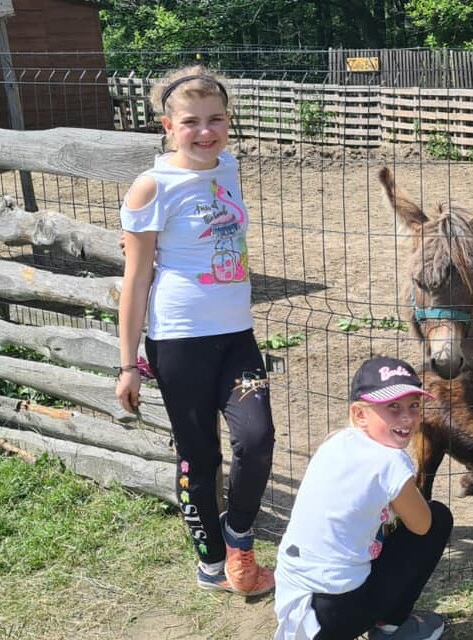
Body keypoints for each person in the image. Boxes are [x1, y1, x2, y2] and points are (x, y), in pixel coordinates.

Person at [114, 65, 275, 596]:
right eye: (191, 122)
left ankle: (239, 535)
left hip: (237, 336)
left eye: (216, 119)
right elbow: (135, 279)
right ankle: (212, 563)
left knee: (256, 436)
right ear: (167, 125)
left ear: (228, 122)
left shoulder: (226, 166)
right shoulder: (151, 187)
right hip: (179, 341)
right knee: (199, 453)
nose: (206, 131)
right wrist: (127, 364)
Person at [274, 356, 453, 640]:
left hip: (294, 599)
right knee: (439, 518)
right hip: (336, 613)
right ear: (359, 414)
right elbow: (422, 526)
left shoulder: (335, 441)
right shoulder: (391, 461)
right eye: (393, 408)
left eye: (414, 406)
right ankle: (390, 627)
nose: (407, 418)